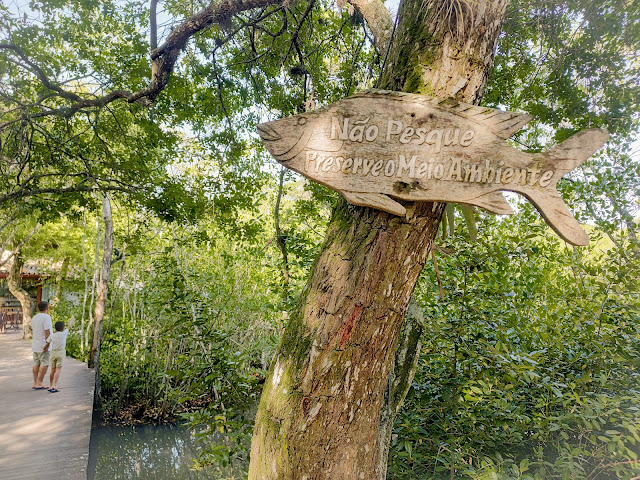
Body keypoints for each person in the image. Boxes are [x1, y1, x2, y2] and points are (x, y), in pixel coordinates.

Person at [46, 315, 74, 393]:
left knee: (52, 370)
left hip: (53, 352)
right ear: (63, 328)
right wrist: (71, 319)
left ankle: (50, 385)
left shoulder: (52, 335)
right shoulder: (64, 334)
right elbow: (69, 326)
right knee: (58, 370)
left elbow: (47, 343)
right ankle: (55, 385)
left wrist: (45, 349)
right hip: (60, 353)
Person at [31, 301, 52, 390]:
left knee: (36, 363)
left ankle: (35, 382)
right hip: (43, 344)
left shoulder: (34, 318)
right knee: (45, 363)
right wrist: (47, 344)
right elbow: (47, 332)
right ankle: (40, 382)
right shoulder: (46, 317)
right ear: (47, 308)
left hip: (35, 344)